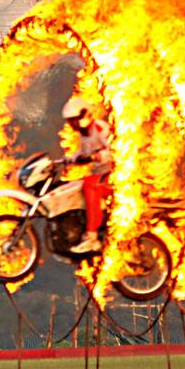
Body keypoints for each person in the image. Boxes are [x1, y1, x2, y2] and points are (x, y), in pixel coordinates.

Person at [61, 97, 113, 253]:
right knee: (73, 187)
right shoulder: (84, 134)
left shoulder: (100, 128)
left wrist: (98, 157)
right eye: (70, 121)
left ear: (84, 115)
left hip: (115, 174)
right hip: (101, 174)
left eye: (74, 120)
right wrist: (70, 159)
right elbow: (84, 153)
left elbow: (117, 149)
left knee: (89, 184)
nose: (72, 125)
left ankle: (92, 236)